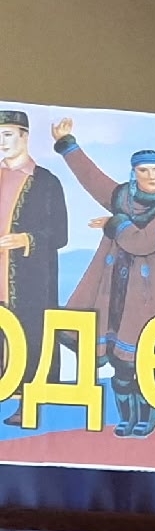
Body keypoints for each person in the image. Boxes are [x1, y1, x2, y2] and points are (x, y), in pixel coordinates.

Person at [48, 120, 155, 439]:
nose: (151, 176)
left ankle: (146, 416)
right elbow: (92, 178)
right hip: (114, 294)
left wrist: (115, 223)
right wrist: (68, 144)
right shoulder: (122, 197)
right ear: (134, 174)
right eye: (144, 171)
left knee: (140, 363)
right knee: (120, 369)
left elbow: (142, 242)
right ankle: (126, 417)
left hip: (145, 301)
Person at [0, 108, 71, 388]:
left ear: (24, 136)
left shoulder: (46, 182)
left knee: (31, 347)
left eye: (7, 135)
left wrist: (25, 239)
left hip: (28, 286)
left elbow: (59, 234)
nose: (2, 142)